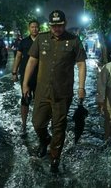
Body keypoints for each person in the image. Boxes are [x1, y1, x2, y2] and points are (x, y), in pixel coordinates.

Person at [22, 10, 87, 173]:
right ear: (50, 25)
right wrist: (25, 83)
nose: (56, 28)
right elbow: (32, 61)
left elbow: (81, 65)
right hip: (42, 91)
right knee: (37, 123)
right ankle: (45, 141)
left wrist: (81, 87)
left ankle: (55, 157)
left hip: (62, 93)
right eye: (53, 26)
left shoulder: (74, 41)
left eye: (59, 25)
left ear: (64, 24)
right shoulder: (41, 39)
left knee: (59, 126)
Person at [11, 20, 40, 134]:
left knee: (39, 100)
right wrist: (14, 72)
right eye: (32, 27)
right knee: (25, 99)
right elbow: (18, 57)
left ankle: (38, 123)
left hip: (40, 75)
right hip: (25, 75)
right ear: (29, 28)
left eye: (36, 27)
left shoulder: (43, 41)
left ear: (39, 28)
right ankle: (23, 124)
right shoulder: (23, 42)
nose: (34, 29)